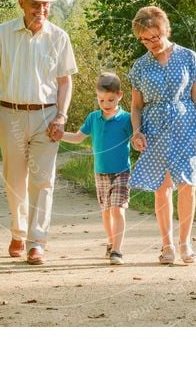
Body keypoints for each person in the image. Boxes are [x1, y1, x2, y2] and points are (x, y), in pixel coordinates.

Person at [0, 0, 77, 265]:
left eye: (45, 5)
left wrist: (61, 116)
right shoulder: (2, 33)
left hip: (47, 116)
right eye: (35, 4)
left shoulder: (59, 37)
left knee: (43, 180)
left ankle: (37, 241)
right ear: (21, 4)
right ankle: (18, 232)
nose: (41, 10)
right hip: (10, 113)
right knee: (15, 180)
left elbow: (65, 81)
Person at [127, 6, 196, 264]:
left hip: (186, 126)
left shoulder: (188, 57)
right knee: (162, 188)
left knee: (187, 184)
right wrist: (136, 131)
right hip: (155, 128)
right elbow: (136, 105)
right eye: (144, 39)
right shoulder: (140, 67)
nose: (150, 43)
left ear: (165, 30)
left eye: (154, 37)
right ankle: (167, 246)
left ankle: (186, 244)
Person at [61, 73, 132, 265]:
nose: (106, 104)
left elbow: (137, 139)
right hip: (100, 172)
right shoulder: (93, 118)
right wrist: (59, 134)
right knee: (107, 211)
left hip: (121, 171)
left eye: (110, 100)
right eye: (101, 100)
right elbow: (77, 137)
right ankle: (110, 242)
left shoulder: (127, 119)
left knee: (118, 209)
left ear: (120, 95)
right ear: (97, 97)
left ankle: (117, 250)